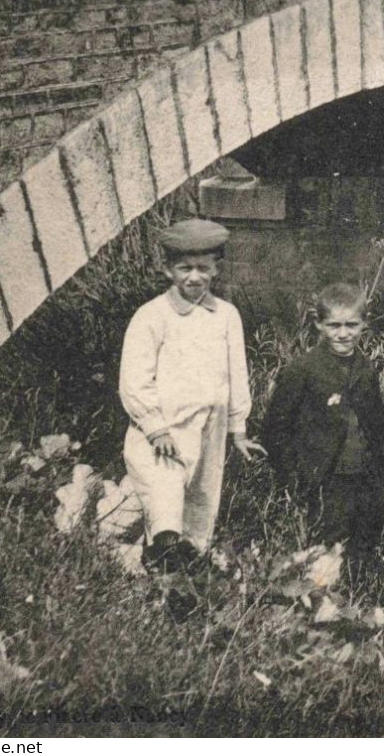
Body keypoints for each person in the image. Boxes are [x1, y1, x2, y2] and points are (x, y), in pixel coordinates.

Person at [119, 218, 266, 574]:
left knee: (201, 501)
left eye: (203, 268)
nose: (194, 278)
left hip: (210, 427)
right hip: (165, 430)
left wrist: (239, 429)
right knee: (166, 500)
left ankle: (186, 578)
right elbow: (134, 380)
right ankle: (154, 566)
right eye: (184, 268)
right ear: (168, 270)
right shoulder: (152, 316)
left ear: (217, 267)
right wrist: (155, 427)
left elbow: (236, 374)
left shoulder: (226, 316)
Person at [259, 283, 384, 562]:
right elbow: (275, 429)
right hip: (323, 482)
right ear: (318, 324)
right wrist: (294, 479)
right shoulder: (303, 369)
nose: (343, 334)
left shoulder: (366, 369)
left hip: (363, 479)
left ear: (364, 324)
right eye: (334, 325)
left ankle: (359, 601)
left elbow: (379, 429)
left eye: (351, 325)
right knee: (322, 555)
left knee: (361, 552)